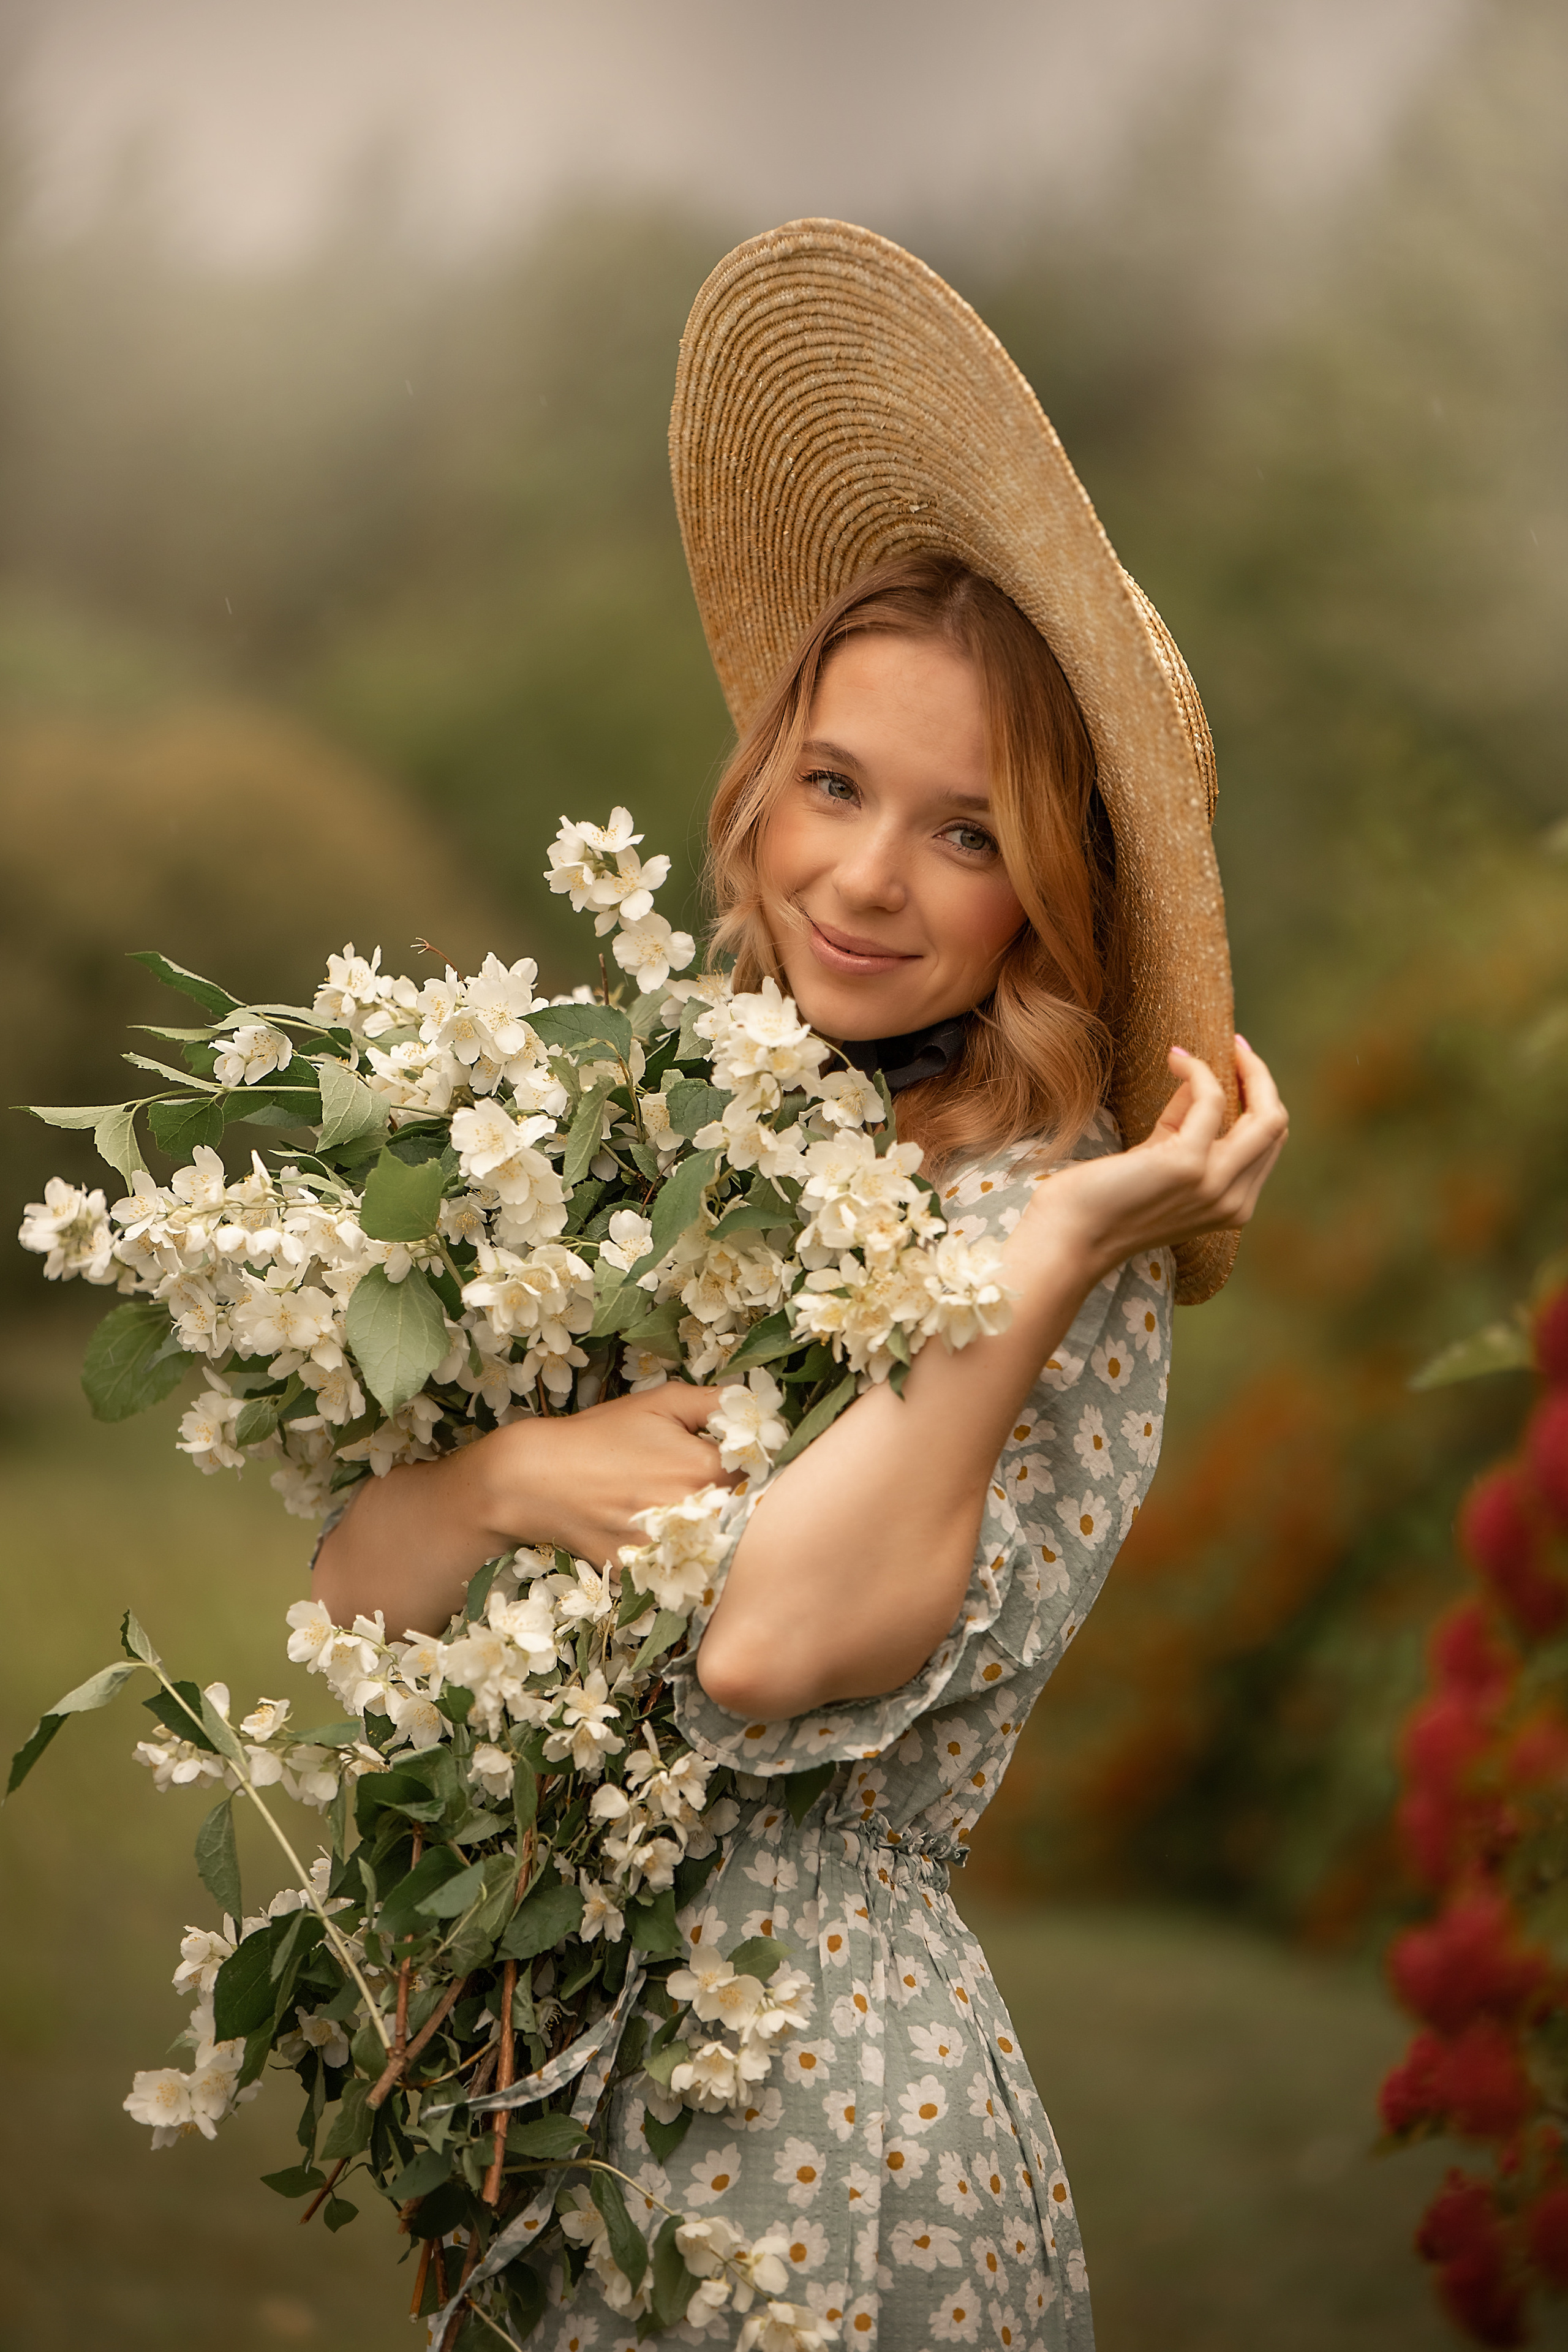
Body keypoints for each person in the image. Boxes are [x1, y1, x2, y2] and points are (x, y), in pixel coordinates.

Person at [317, 225, 1287, 2351]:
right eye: (838, 786)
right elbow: (350, 1619)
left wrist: (1033, 1263)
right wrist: (509, 1475)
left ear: (1056, 887)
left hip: (814, 2140)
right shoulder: (649, 1150)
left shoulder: (1058, 1228)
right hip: (567, 2124)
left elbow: (765, 1650)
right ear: (759, 792)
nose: (865, 873)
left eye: (968, 831)